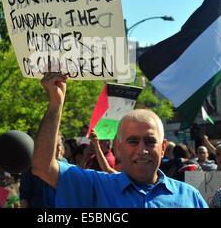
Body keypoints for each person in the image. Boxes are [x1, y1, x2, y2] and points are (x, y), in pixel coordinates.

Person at [32, 72, 207, 208]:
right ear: (118, 147)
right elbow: (43, 166)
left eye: (150, 141)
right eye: (133, 141)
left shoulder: (190, 196)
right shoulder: (95, 187)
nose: (142, 149)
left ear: (163, 147)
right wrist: (56, 103)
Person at [20, 132, 67, 208]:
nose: (59, 149)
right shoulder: (32, 165)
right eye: (55, 146)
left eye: (60, 145)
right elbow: (24, 196)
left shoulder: (64, 162)